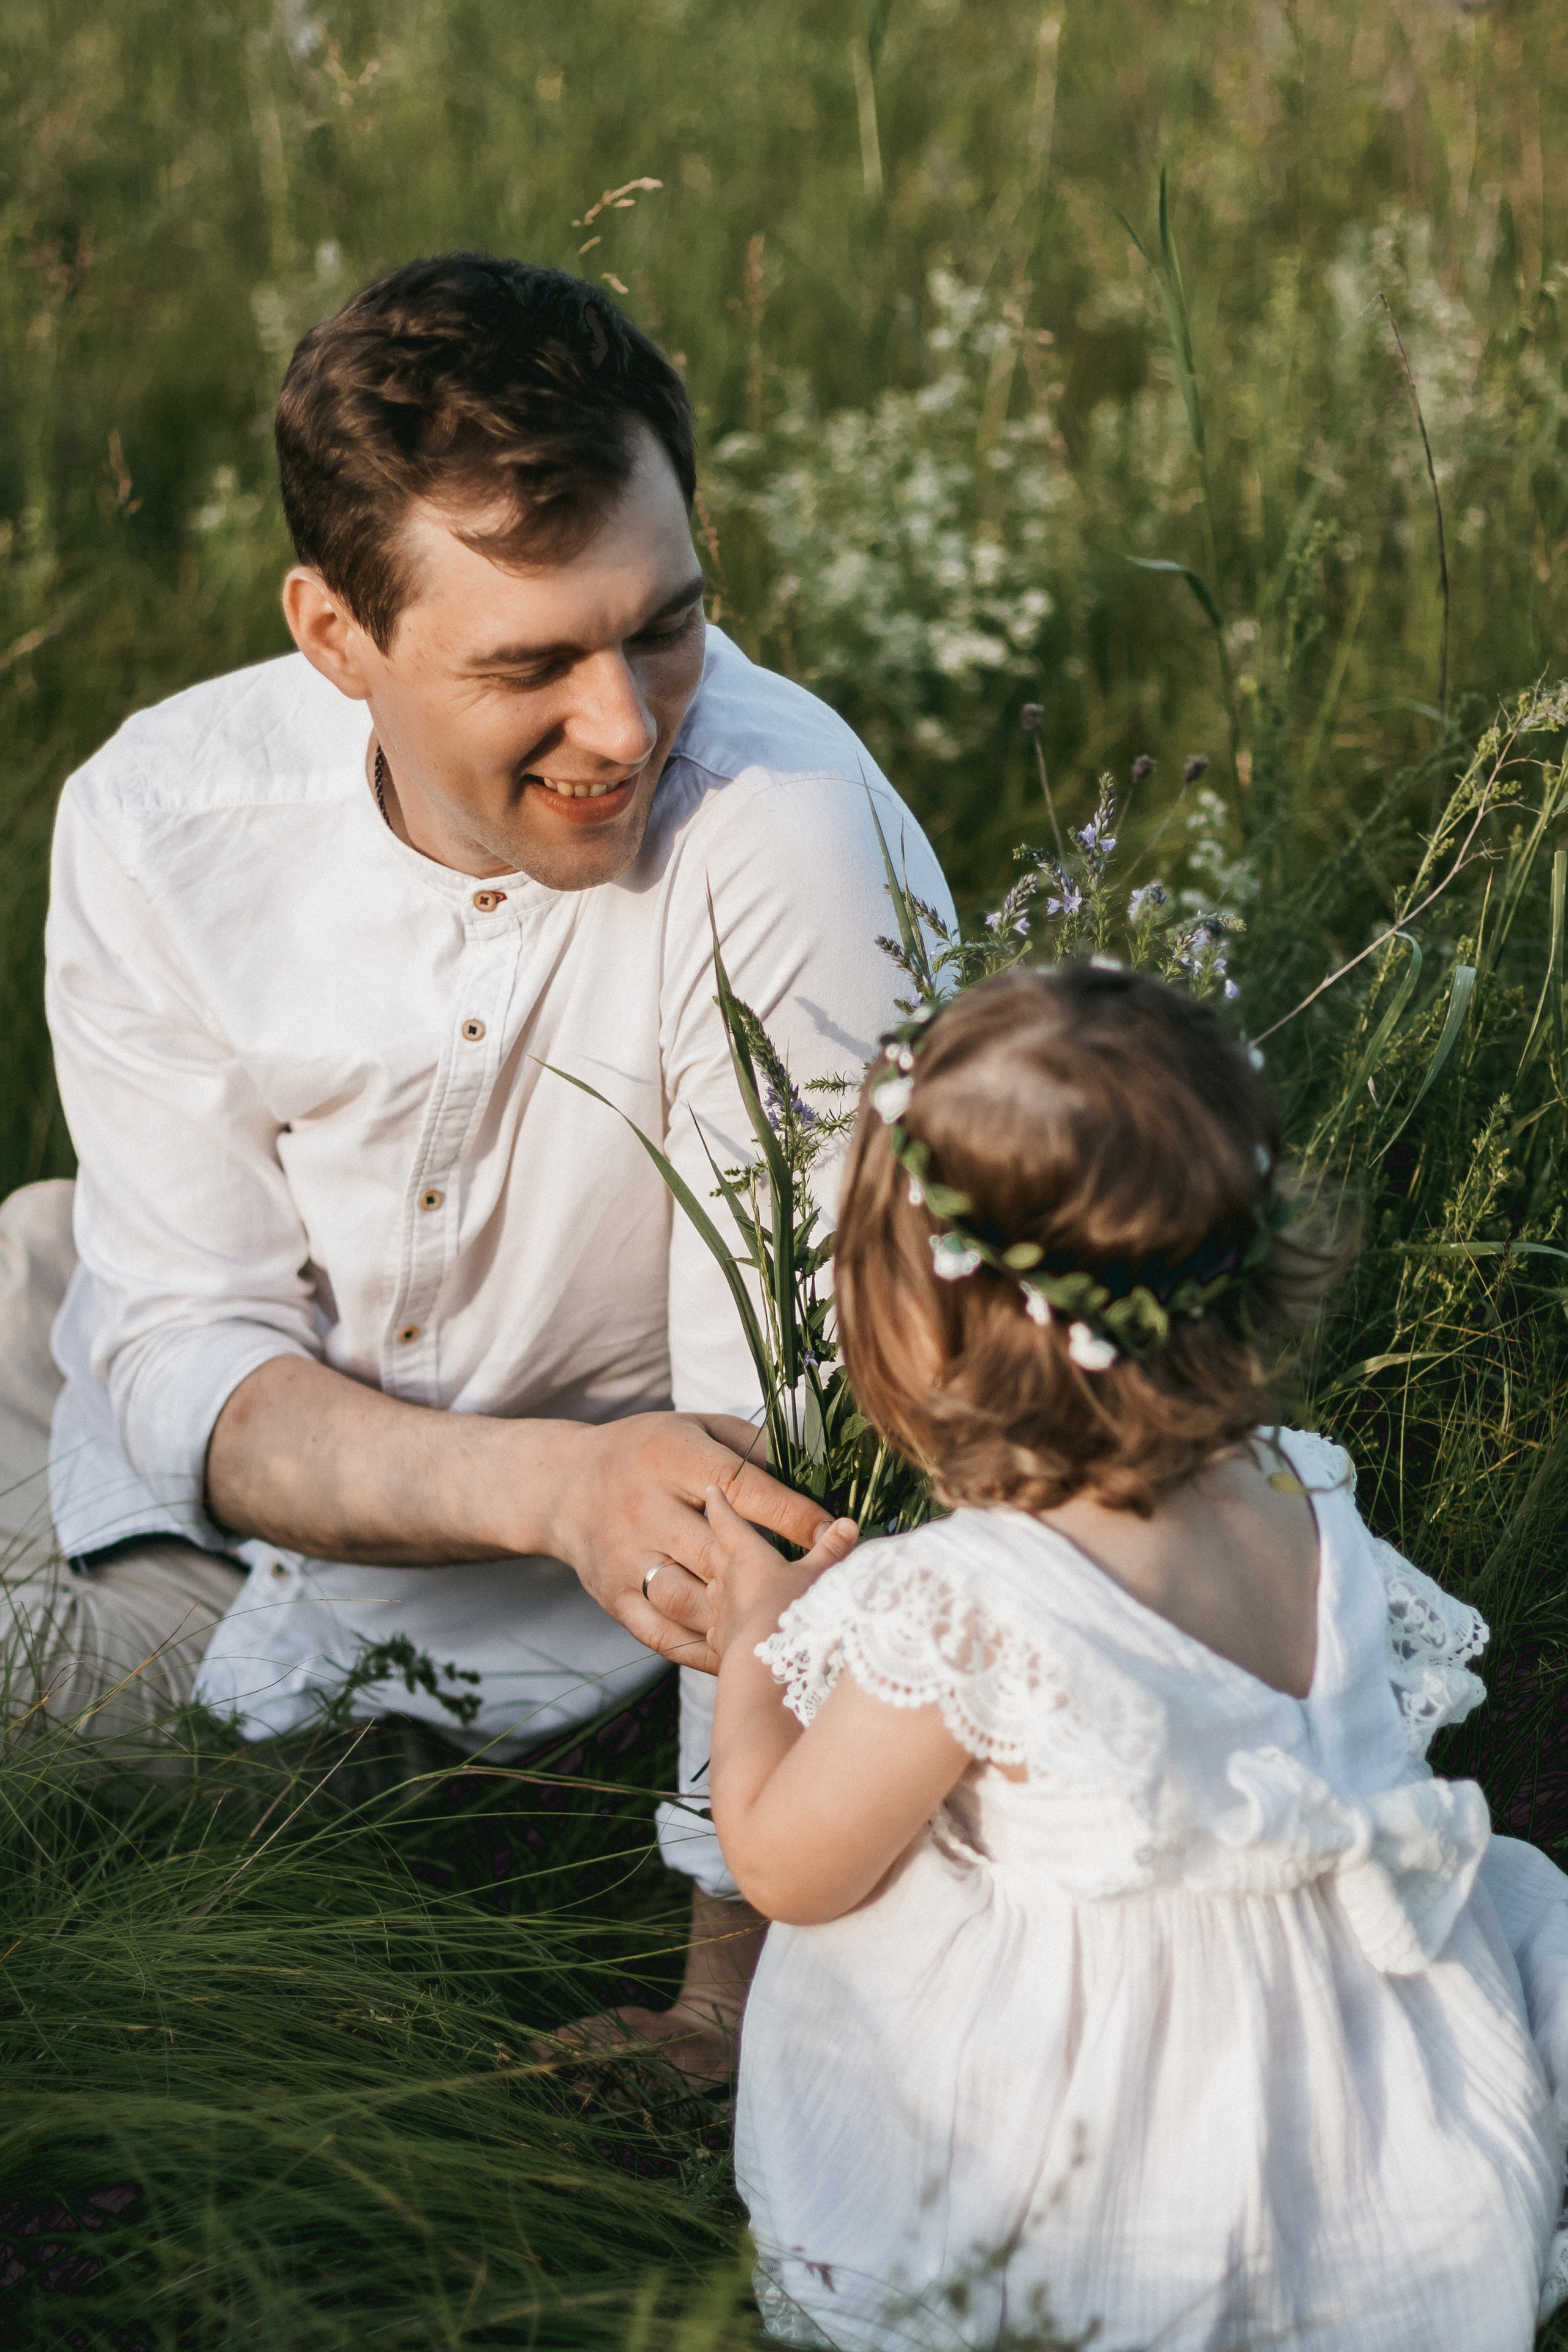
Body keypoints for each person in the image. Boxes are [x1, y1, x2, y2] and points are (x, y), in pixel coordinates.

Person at [9, 251, 951, 2080]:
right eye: (532, 663)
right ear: (333, 636)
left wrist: (723, 2011)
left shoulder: (782, 838)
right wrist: (549, 1482)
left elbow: (788, 1463)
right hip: (130, 1349)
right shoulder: (158, 813)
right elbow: (184, 1336)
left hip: (440, 1618)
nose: (626, 724)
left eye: (664, 625)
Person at [695, 963, 1568, 2350]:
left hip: (1117, 2150)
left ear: (927, 1328)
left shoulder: (977, 1602)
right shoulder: (1304, 1497)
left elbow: (789, 1869)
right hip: (1352, 2100)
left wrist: (754, 1652)